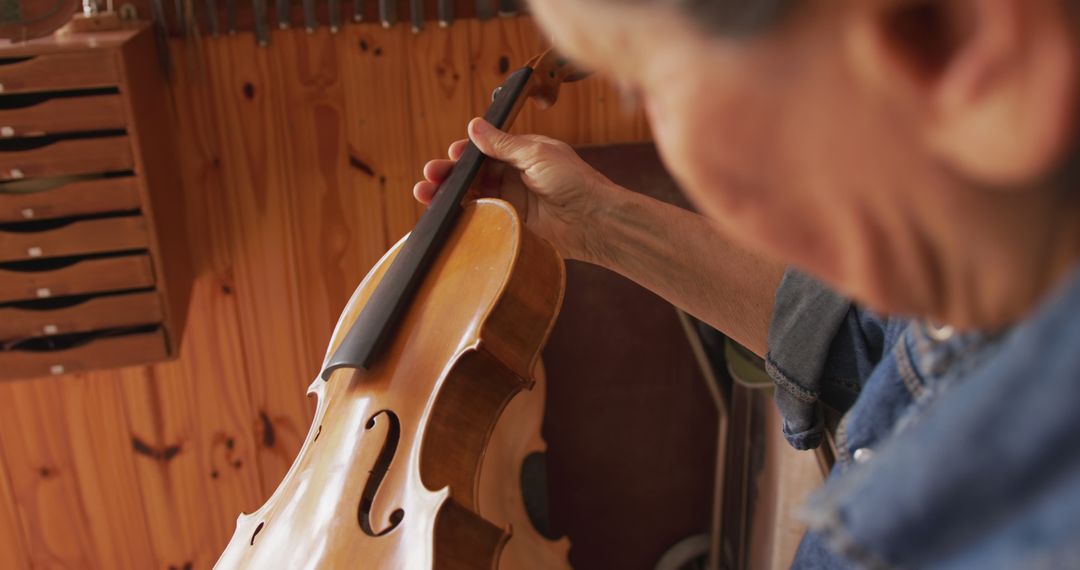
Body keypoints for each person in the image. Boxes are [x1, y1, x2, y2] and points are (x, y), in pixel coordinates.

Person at [413, 0, 1080, 567]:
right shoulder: (983, 278)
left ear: (962, 45)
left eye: (646, 87)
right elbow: (862, 350)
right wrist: (597, 223)